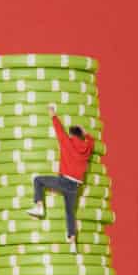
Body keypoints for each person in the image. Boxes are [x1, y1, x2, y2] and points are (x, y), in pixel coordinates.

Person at [26, 104, 95, 243]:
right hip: (75, 187)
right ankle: (72, 238)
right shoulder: (87, 148)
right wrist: (85, 132)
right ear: (81, 135)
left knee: (38, 180)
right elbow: (92, 141)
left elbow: (59, 130)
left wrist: (53, 114)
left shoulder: (67, 142)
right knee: (70, 213)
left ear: (71, 134)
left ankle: (39, 207)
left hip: (64, 181)